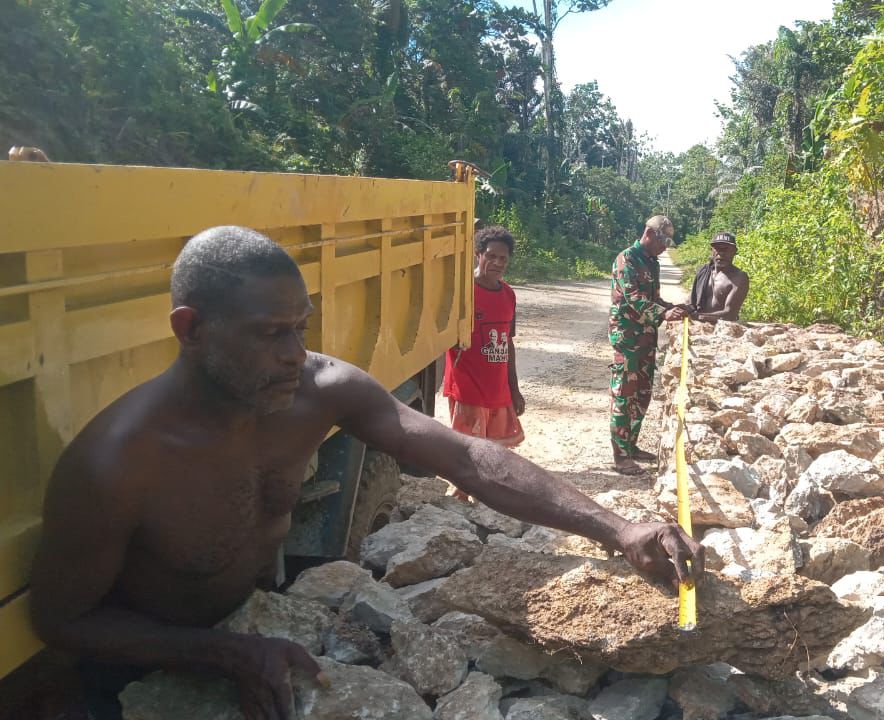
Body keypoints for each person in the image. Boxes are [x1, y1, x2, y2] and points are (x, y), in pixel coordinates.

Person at [28, 226, 703, 720]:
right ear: (191, 329)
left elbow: (466, 456)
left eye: (301, 328)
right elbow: (62, 621)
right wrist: (220, 655)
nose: (296, 354)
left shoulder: (317, 391)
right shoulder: (119, 462)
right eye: (270, 333)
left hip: (260, 636)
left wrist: (618, 528)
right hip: (140, 682)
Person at [442, 226, 524, 500]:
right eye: (491, 256)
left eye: (503, 258)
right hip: (467, 386)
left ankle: (486, 495)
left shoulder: (508, 294)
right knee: (467, 448)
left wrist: (514, 389)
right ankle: (460, 496)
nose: (497, 263)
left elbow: (508, 343)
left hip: (497, 389)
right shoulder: (463, 293)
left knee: (494, 450)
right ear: (478, 254)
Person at [609, 215, 686, 475]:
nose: (665, 247)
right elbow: (633, 298)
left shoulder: (651, 262)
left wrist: (673, 308)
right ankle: (620, 456)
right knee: (624, 394)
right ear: (649, 233)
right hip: (628, 338)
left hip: (646, 337)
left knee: (642, 393)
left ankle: (631, 446)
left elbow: (653, 298)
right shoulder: (627, 259)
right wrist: (664, 313)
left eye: (668, 242)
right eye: (663, 241)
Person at [687, 232, 750, 322]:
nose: (721, 253)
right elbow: (691, 303)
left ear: (734, 252)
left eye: (726, 249)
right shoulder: (703, 271)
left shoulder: (739, 278)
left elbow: (730, 314)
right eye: (717, 248)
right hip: (698, 324)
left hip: (723, 327)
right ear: (712, 250)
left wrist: (698, 316)